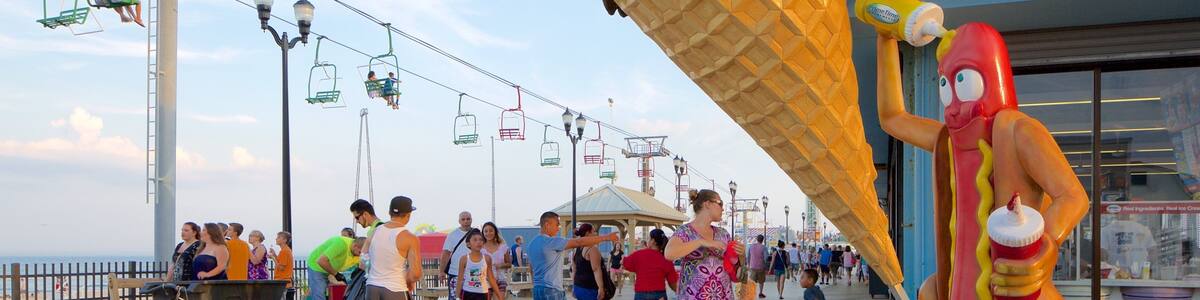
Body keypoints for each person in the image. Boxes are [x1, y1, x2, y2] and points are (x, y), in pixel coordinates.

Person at [665, 189, 745, 300]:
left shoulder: (723, 234)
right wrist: (701, 242)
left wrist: (741, 256)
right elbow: (669, 254)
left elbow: (738, 275)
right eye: (720, 203)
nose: (723, 208)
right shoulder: (685, 231)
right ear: (707, 204)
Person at [528, 212, 620, 300]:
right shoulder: (551, 242)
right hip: (552, 290)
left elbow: (531, 267)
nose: (558, 228)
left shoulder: (531, 244)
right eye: (557, 224)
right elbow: (579, 242)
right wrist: (606, 237)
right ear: (547, 225)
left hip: (537, 290)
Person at [366, 196, 422, 300]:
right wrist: (409, 282)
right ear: (408, 215)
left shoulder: (374, 232)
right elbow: (416, 273)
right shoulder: (410, 238)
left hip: (372, 287)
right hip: (395, 288)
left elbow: (362, 261)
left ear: (389, 212)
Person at [623, 228, 677, 300]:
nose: (648, 241)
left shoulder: (639, 254)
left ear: (653, 241)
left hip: (641, 294)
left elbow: (625, 263)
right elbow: (672, 282)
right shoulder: (666, 259)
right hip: (659, 295)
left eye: (649, 238)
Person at [307, 236, 367, 300]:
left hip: (330, 268)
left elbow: (363, 266)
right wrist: (336, 274)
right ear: (355, 246)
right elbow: (321, 261)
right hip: (317, 266)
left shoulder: (358, 253)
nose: (360, 256)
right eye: (360, 252)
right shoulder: (340, 244)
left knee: (330, 293)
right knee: (319, 294)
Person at [457, 229, 502, 300]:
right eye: (475, 240)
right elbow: (460, 279)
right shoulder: (464, 259)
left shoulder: (487, 258)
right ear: (468, 244)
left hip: (483, 293)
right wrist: (457, 296)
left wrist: (499, 296)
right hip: (467, 292)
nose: (478, 242)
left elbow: (491, 278)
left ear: (483, 243)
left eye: (481, 240)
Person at [441, 211, 474, 300]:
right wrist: (442, 271)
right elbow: (446, 253)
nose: (466, 221)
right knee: (455, 297)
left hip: (473, 272)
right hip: (455, 272)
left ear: (471, 220)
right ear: (459, 221)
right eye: (463, 219)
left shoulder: (477, 234)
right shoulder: (452, 235)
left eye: (468, 219)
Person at [572, 223, 608, 300]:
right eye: (593, 231)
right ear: (588, 233)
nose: (595, 234)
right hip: (590, 288)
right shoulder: (592, 249)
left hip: (578, 286)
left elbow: (574, 270)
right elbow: (596, 270)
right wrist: (601, 288)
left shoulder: (576, 249)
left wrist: (573, 286)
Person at [481, 222, 512, 297]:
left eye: (491, 230)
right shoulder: (480, 248)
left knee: (500, 298)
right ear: (483, 233)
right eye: (486, 231)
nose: (488, 233)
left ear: (495, 232)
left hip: (500, 278)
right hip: (486, 279)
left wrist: (500, 265)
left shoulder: (503, 247)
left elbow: (509, 264)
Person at [269, 231, 294, 299]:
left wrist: (273, 258)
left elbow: (281, 268)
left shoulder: (284, 251)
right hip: (284, 282)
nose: (276, 239)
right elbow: (281, 263)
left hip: (282, 282)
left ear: (285, 240)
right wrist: (274, 255)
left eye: (279, 237)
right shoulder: (285, 250)